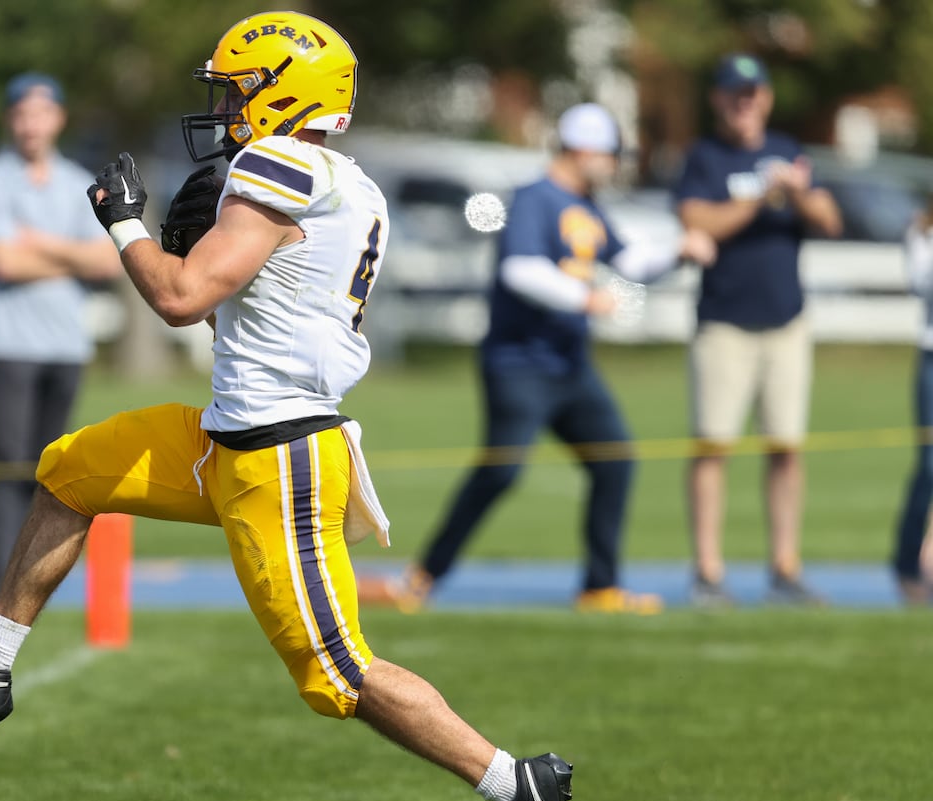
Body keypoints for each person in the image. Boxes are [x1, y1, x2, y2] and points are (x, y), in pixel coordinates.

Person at [0, 12, 574, 801]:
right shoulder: (346, 180)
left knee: (335, 675)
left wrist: (124, 221)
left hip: (280, 456)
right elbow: (232, 308)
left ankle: (516, 784)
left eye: (238, 87)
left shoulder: (277, 163)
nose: (227, 104)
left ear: (283, 92)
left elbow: (179, 296)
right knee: (72, 469)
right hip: (227, 436)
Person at [360, 103, 717, 615]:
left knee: (615, 461)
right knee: (500, 473)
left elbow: (632, 262)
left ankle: (600, 587)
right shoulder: (535, 199)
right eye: (610, 153)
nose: (614, 164)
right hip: (520, 364)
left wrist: (679, 251)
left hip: (570, 365)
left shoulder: (586, 206)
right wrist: (584, 297)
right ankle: (423, 577)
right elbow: (520, 271)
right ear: (584, 150)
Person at [675, 54, 843, 606]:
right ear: (718, 99)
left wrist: (792, 191)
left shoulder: (788, 151)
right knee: (713, 447)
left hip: (786, 324)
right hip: (724, 324)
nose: (744, 101)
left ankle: (785, 567)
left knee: (786, 448)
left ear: (765, 97)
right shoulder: (704, 156)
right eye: (734, 93)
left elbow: (828, 219)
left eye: (753, 92)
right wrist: (757, 199)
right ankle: (707, 570)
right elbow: (698, 221)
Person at [0, 72, 122, 596]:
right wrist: (71, 256)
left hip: (65, 346)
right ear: (11, 119)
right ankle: (1, 586)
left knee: (52, 472)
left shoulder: (77, 180)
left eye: (43, 112)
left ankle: (35, 580)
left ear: (58, 118)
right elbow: (6, 262)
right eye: (23, 113)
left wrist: (41, 244)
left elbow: (107, 263)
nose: (32, 124)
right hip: (8, 345)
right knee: (9, 468)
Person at [892, 207, 933, 605]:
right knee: (930, 466)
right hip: (931, 358)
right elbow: (920, 284)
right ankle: (906, 563)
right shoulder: (921, 231)